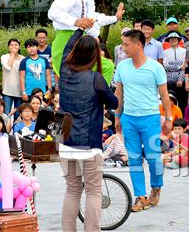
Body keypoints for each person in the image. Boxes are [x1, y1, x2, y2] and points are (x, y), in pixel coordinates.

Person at [57, 28, 118, 231]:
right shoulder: (95, 79)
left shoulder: (64, 71)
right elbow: (114, 102)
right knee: (93, 191)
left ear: (75, 52)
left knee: (72, 190)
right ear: (94, 56)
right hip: (89, 145)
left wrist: (81, 28)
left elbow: (66, 47)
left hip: (65, 144)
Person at [114, 29, 171, 213]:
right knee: (134, 159)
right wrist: (117, 115)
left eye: (126, 44)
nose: (123, 48)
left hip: (150, 118)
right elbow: (119, 94)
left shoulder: (155, 67)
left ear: (138, 44)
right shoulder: (122, 67)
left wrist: (169, 118)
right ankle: (140, 197)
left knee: (154, 157)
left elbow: (164, 95)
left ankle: (156, 187)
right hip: (129, 118)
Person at [48, 0, 125, 79]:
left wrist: (115, 18)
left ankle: (98, 96)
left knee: (107, 66)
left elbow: (95, 18)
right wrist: (76, 21)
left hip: (81, 42)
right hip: (65, 41)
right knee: (73, 78)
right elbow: (54, 12)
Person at [0, 38, 24, 119]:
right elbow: (8, 67)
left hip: (20, 92)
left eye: (16, 45)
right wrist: (13, 55)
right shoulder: (4, 57)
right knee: (6, 115)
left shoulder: (23, 59)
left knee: (18, 116)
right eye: (11, 45)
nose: (14, 47)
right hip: (7, 91)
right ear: (8, 47)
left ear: (19, 46)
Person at [163, 32, 187, 109]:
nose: (173, 40)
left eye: (175, 39)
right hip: (168, 81)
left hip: (181, 81)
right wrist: (179, 66)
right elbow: (166, 66)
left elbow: (185, 66)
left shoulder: (184, 51)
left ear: (178, 40)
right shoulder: (165, 52)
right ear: (168, 40)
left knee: (182, 101)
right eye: (171, 39)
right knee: (170, 100)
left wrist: (181, 79)